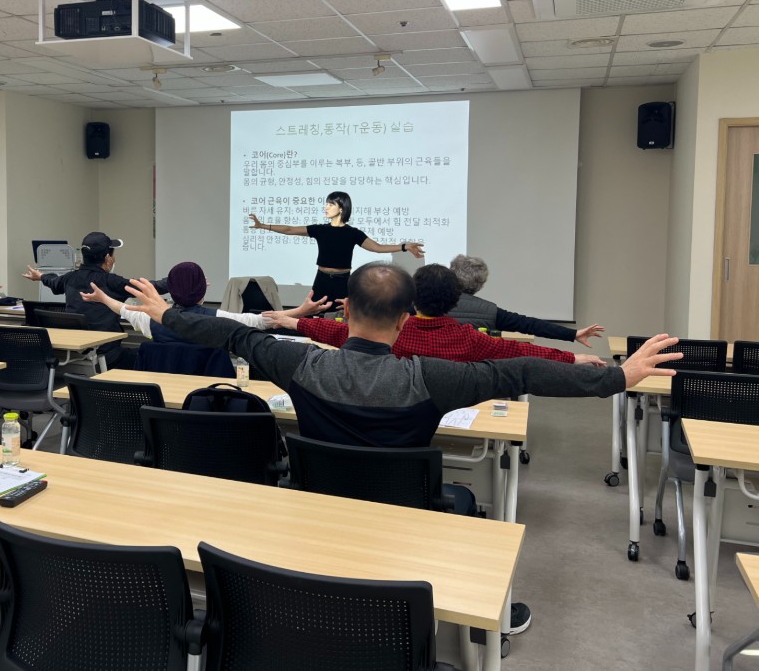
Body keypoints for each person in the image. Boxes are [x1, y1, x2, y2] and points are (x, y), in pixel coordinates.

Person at [123, 262, 680, 638]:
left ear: (344, 311)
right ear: (407, 318)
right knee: (469, 507)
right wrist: (616, 377)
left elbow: (232, 335)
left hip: (316, 509)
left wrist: (164, 314)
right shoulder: (433, 378)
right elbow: (522, 370)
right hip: (407, 522)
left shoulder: (299, 363)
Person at [269, 263, 605, 366]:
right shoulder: (470, 339)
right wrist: (572, 355)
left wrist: (292, 321)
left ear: (412, 298)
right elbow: (519, 349)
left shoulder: (394, 331)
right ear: (454, 298)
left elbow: (335, 332)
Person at [80, 261, 331, 341]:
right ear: (202, 293)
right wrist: (301, 310)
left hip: (162, 403)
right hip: (208, 404)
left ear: (171, 291)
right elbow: (262, 321)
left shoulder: (150, 321)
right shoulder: (219, 320)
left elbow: (123, 309)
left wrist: (102, 297)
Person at [22, 232, 169, 369]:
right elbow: (151, 287)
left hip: (75, 359)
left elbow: (53, 281)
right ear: (108, 258)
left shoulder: (69, 278)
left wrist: (40, 276)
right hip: (109, 359)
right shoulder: (111, 281)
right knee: (157, 354)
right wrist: (178, 279)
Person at [248, 191, 425, 302]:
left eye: (331, 204)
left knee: (341, 316)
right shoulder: (320, 229)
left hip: (343, 281)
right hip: (322, 279)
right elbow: (289, 229)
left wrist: (405, 246)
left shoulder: (353, 233)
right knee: (315, 313)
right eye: (326, 203)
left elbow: (377, 247)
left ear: (342, 208)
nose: (326, 207)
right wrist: (263, 225)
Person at [449, 254, 604, 345]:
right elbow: (530, 325)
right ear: (481, 283)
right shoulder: (490, 311)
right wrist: (573, 334)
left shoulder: (434, 305)